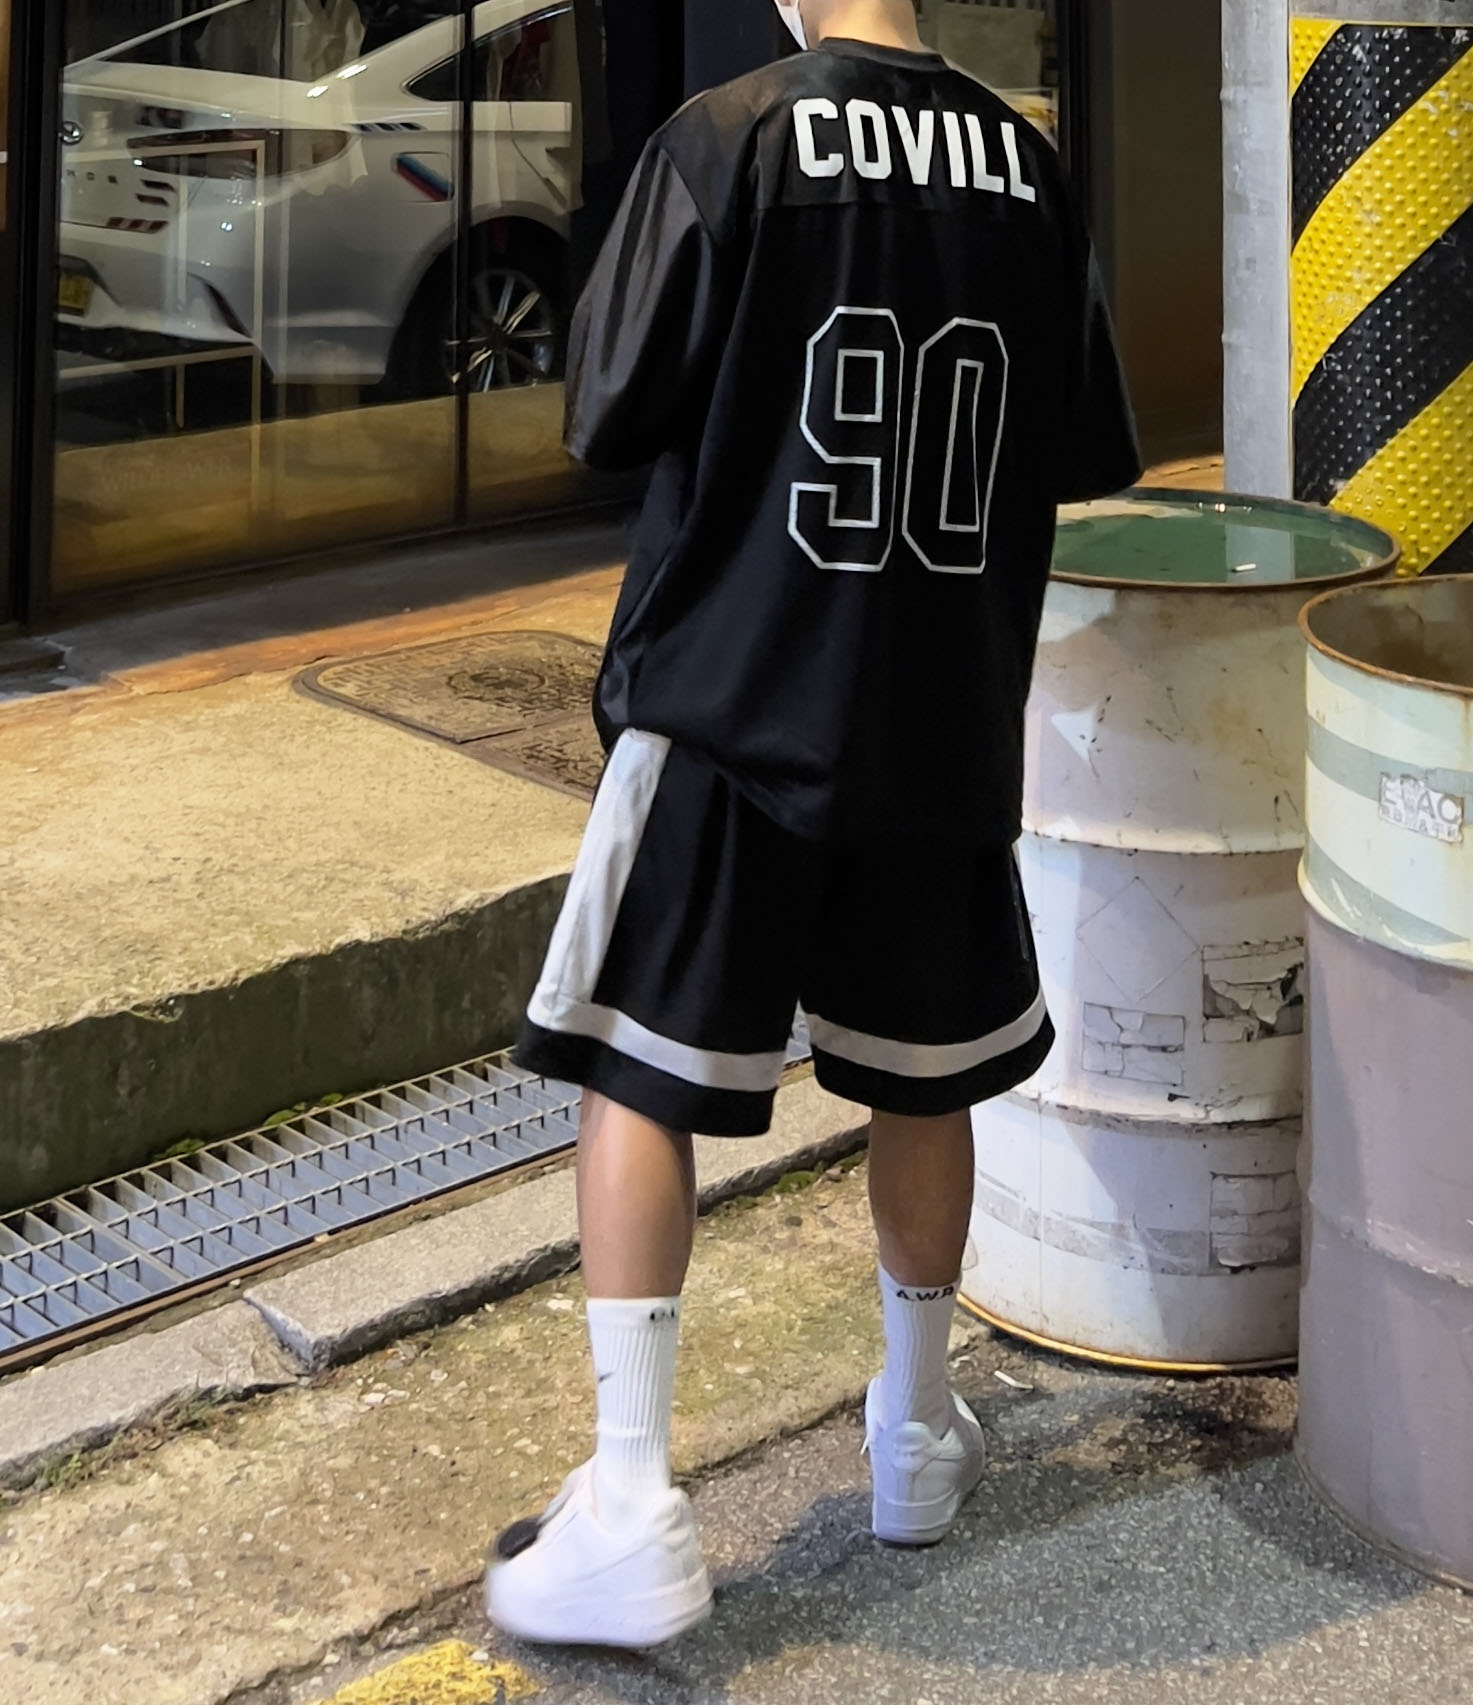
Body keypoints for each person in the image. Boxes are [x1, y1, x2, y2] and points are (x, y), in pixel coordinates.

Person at [484, 0, 1139, 1649]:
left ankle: (630, 1496)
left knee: (642, 1068)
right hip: (937, 707)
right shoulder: (1029, 168)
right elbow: (1081, 444)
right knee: (925, 1070)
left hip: (734, 693)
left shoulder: (729, 139)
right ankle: (915, 1421)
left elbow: (606, 411)